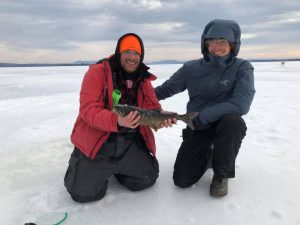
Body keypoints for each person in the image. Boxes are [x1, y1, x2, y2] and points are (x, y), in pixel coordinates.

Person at [64, 33, 172, 203]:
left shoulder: (143, 79)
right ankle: (84, 163)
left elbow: (153, 108)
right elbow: (88, 111)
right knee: (84, 194)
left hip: (129, 140)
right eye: (127, 52)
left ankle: (118, 167)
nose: (132, 57)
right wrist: (116, 121)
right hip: (99, 140)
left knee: (145, 179)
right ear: (119, 53)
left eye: (136, 53)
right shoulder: (97, 73)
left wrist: (161, 116)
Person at [154, 19, 255, 197]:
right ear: (205, 43)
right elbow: (167, 89)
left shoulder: (242, 68)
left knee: (234, 122)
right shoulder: (191, 68)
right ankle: (209, 156)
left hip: (221, 125)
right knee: (182, 180)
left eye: (222, 41)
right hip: (197, 126)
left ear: (232, 43)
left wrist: (204, 116)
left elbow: (241, 104)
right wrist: (136, 98)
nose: (216, 47)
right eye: (212, 41)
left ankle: (221, 174)